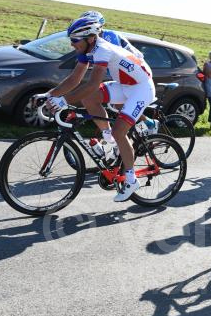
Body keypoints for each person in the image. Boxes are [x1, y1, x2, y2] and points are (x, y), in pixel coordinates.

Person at [41, 14, 155, 202]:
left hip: (141, 88)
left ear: (90, 37)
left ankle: (131, 178)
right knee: (89, 99)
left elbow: (92, 84)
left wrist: (63, 101)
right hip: (125, 85)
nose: (72, 44)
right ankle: (109, 140)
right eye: (71, 40)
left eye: (75, 40)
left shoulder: (102, 49)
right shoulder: (88, 50)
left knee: (120, 131)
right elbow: (75, 79)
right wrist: (50, 94)